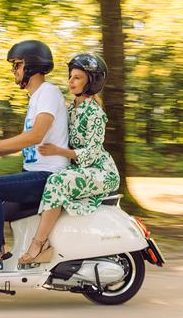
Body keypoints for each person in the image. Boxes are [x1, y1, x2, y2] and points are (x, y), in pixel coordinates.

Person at [0, 40, 69, 274]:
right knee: (2, 209)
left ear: (31, 66)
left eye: (17, 65)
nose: (14, 71)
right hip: (36, 172)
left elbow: (35, 135)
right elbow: (26, 139)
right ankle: (8, 255)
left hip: (49, 176)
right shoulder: (36, 98)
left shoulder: (48, 92)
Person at [18, 52, 120, 265]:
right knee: (48, 178)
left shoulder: (95, 113)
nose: (70, 81)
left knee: (56, 181)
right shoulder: (70, 108)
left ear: (91, 82)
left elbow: (91, 153)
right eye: (70, 76)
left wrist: (58, 151)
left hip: (101, 171)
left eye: (77, 77)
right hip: (80, 169)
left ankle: (39, 244)